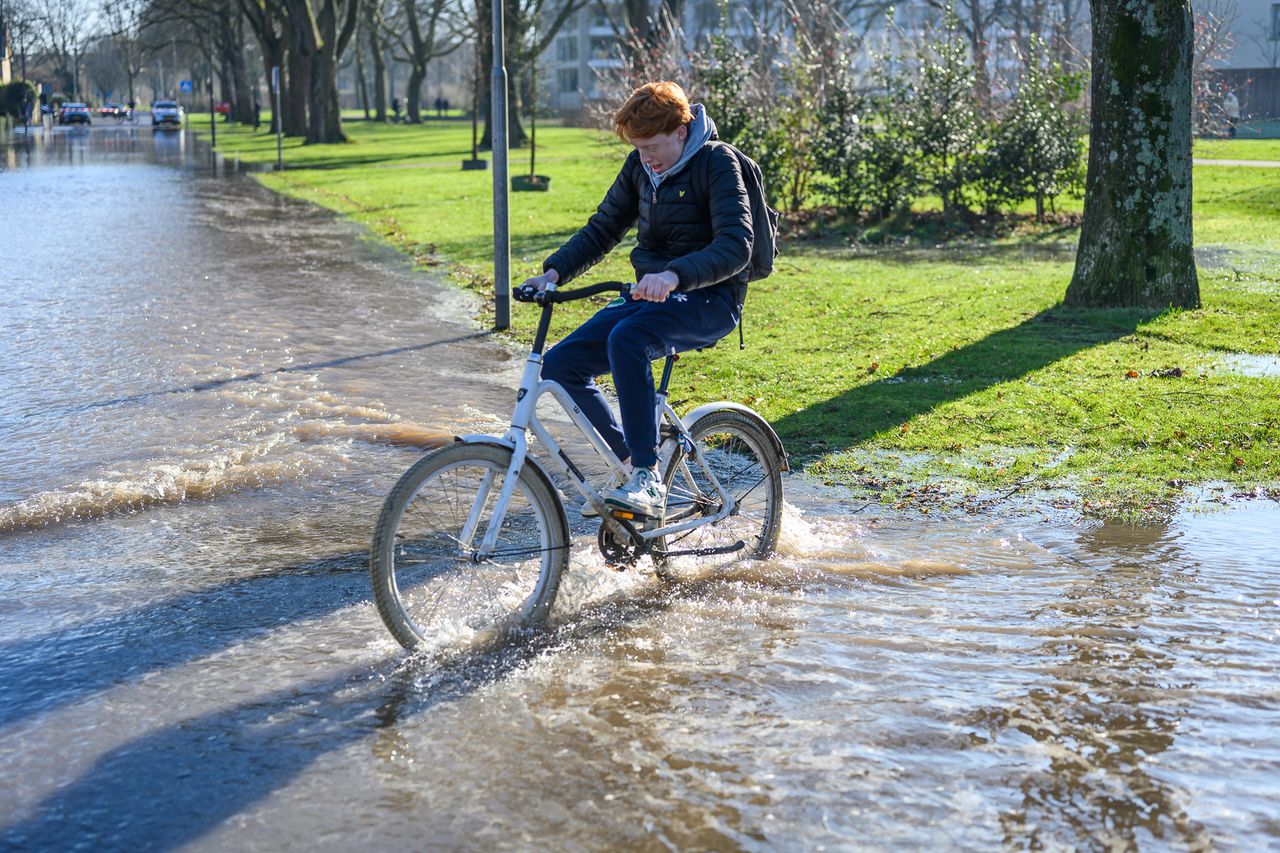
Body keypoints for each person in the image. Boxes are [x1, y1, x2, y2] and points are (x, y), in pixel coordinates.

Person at [518, 81, 752, 517]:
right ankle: (628, 465)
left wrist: (674, 275)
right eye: (638, 147)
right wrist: (552, 272)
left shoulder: (717, 163)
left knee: (627, 338)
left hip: (711, 299)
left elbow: (737, 245)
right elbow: (603, 228)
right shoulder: (639, 167)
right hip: (654, 297)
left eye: (652, 145)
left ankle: (649, 477)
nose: (645, 156)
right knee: (560, 365)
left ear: (682, 130)